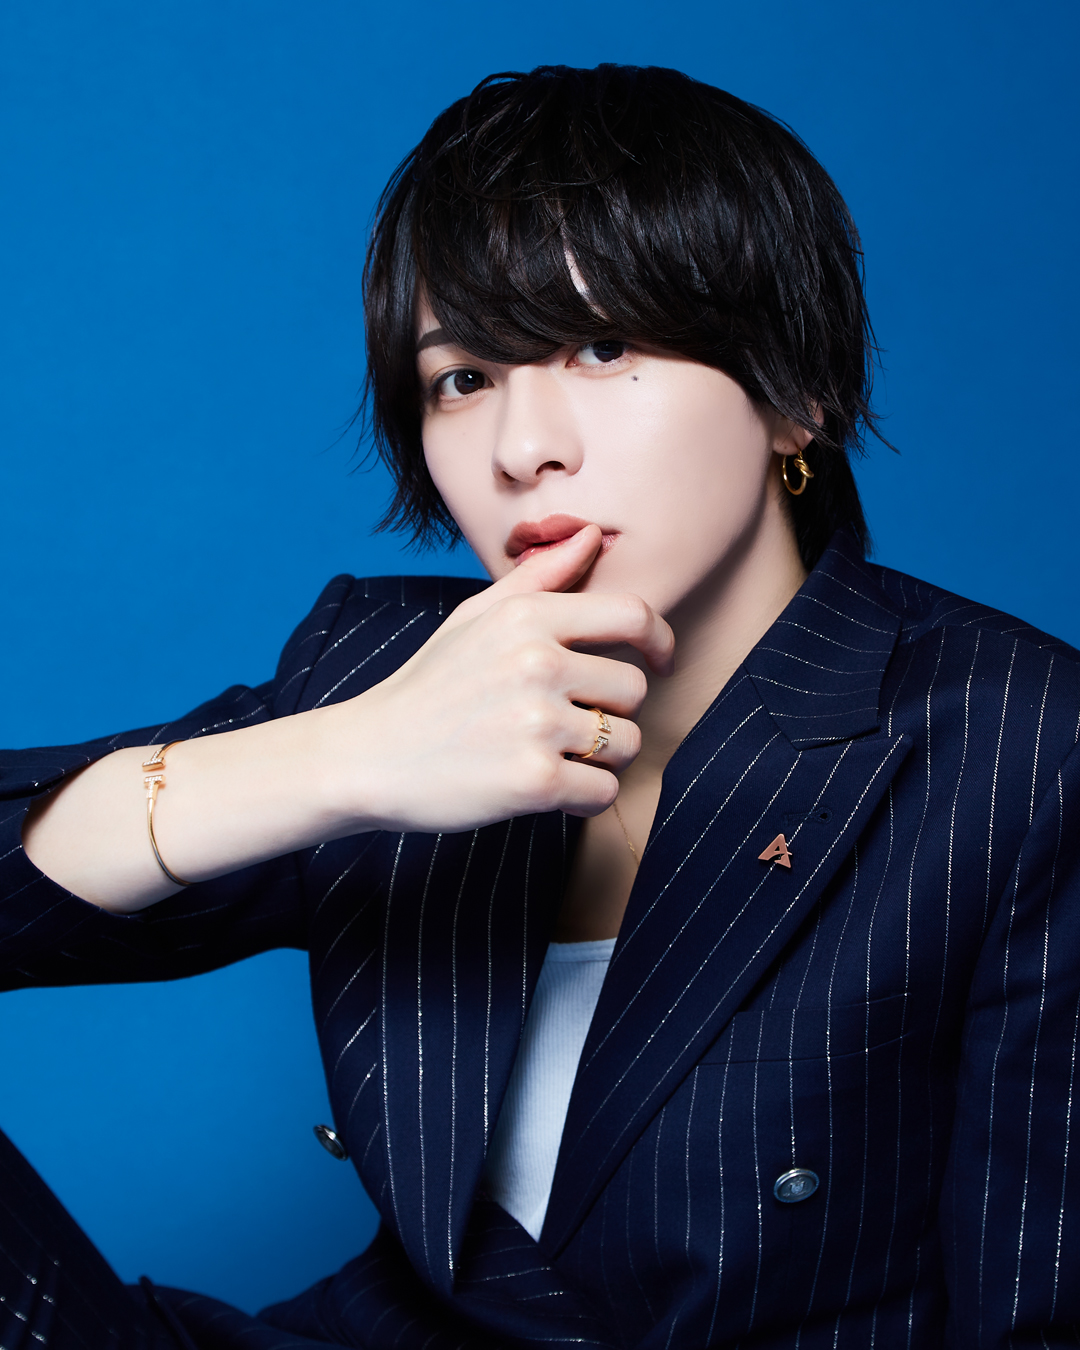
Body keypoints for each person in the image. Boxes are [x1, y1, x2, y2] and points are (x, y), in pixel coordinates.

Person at [1, 62, 1078, 1350]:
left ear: (794, 394)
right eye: (462, 378)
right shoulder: (393, 675)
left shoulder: (1017, 747)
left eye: (603, 347)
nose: (522, 448)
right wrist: (344, 758)